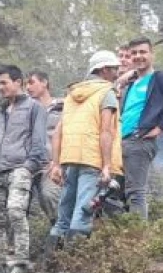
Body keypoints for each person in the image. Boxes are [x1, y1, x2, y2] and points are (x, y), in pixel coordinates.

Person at [46, 51, 122, 247]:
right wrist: (106, 166)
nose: (117, 73)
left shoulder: (72, 95)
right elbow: (106, 131)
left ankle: (51, 267)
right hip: (92, 160)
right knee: (83, 213)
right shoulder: (107, 93)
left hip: (70, 160)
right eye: (114, 69)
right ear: (104, 70)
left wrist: (56, 164)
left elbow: (58, 133)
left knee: (64, 216)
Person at [0, 65, 49, 273]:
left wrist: (29, 167)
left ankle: (21, 263)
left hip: (19, 168)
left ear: (18, 82)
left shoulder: (34, 108)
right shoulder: (0, 111)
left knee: (16, 211)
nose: (0, 87)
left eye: (4, 83)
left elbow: (39, 142)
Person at [120, 37, 163, 220]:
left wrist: (159, 127)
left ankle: (138, 241)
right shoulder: (131, 84)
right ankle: (121, 239)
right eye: (134, 53)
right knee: (115, 194)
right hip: (121, 142)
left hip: (139, 141)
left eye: (142, 52)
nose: (138, 56)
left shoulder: (159, 78)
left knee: (135, 194)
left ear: (151, 54)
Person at [26, 71, 63, 225]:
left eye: (31, 82)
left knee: (49, 196)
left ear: (44, 82)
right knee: (18, 205)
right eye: (25, 84)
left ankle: (61, 233)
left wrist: (58, 162)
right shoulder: (25, 109)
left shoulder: (63, 106)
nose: (27, 87)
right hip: (29, 164)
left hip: (53, 164)